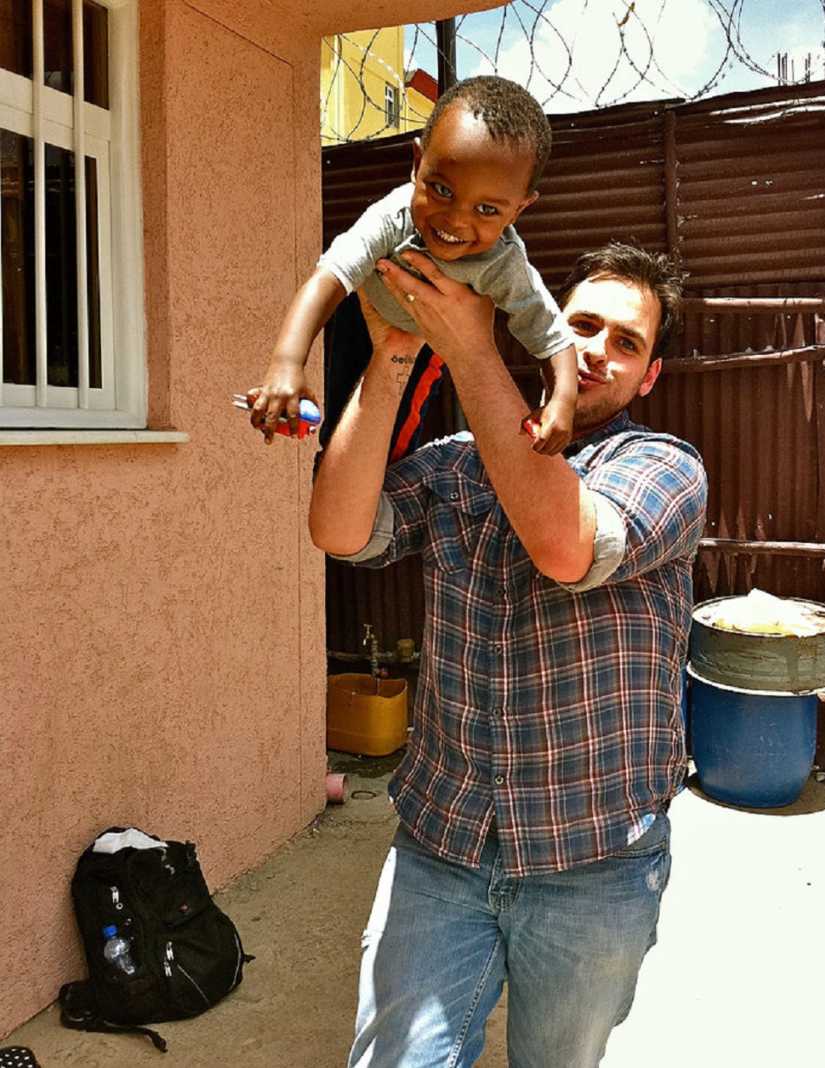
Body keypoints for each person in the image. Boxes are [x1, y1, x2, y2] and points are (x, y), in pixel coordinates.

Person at [308, 240, 708, 1067]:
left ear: (649, 375)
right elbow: (342, 532)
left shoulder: (666, 469)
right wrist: (392, 353)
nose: (597, 351)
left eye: (625, 342)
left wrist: (469, 350)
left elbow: (566, 547)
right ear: (547, 328)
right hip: (442, 846)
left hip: (593, 860)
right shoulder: (458, 462)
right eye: (583, 324)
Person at [250, 75, 578, 455]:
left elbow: (553, 337)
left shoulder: (504, 261)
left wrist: (562, 401)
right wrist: (287, 364)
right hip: (360, 316)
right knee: (336, 432)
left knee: (394, 449)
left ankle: (380, 501)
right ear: (417, 164)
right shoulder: (392, 217)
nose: (455, 220)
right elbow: (329, 279)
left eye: (486, 209)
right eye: (441, 190)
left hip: (424, 340)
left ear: (520, 208)